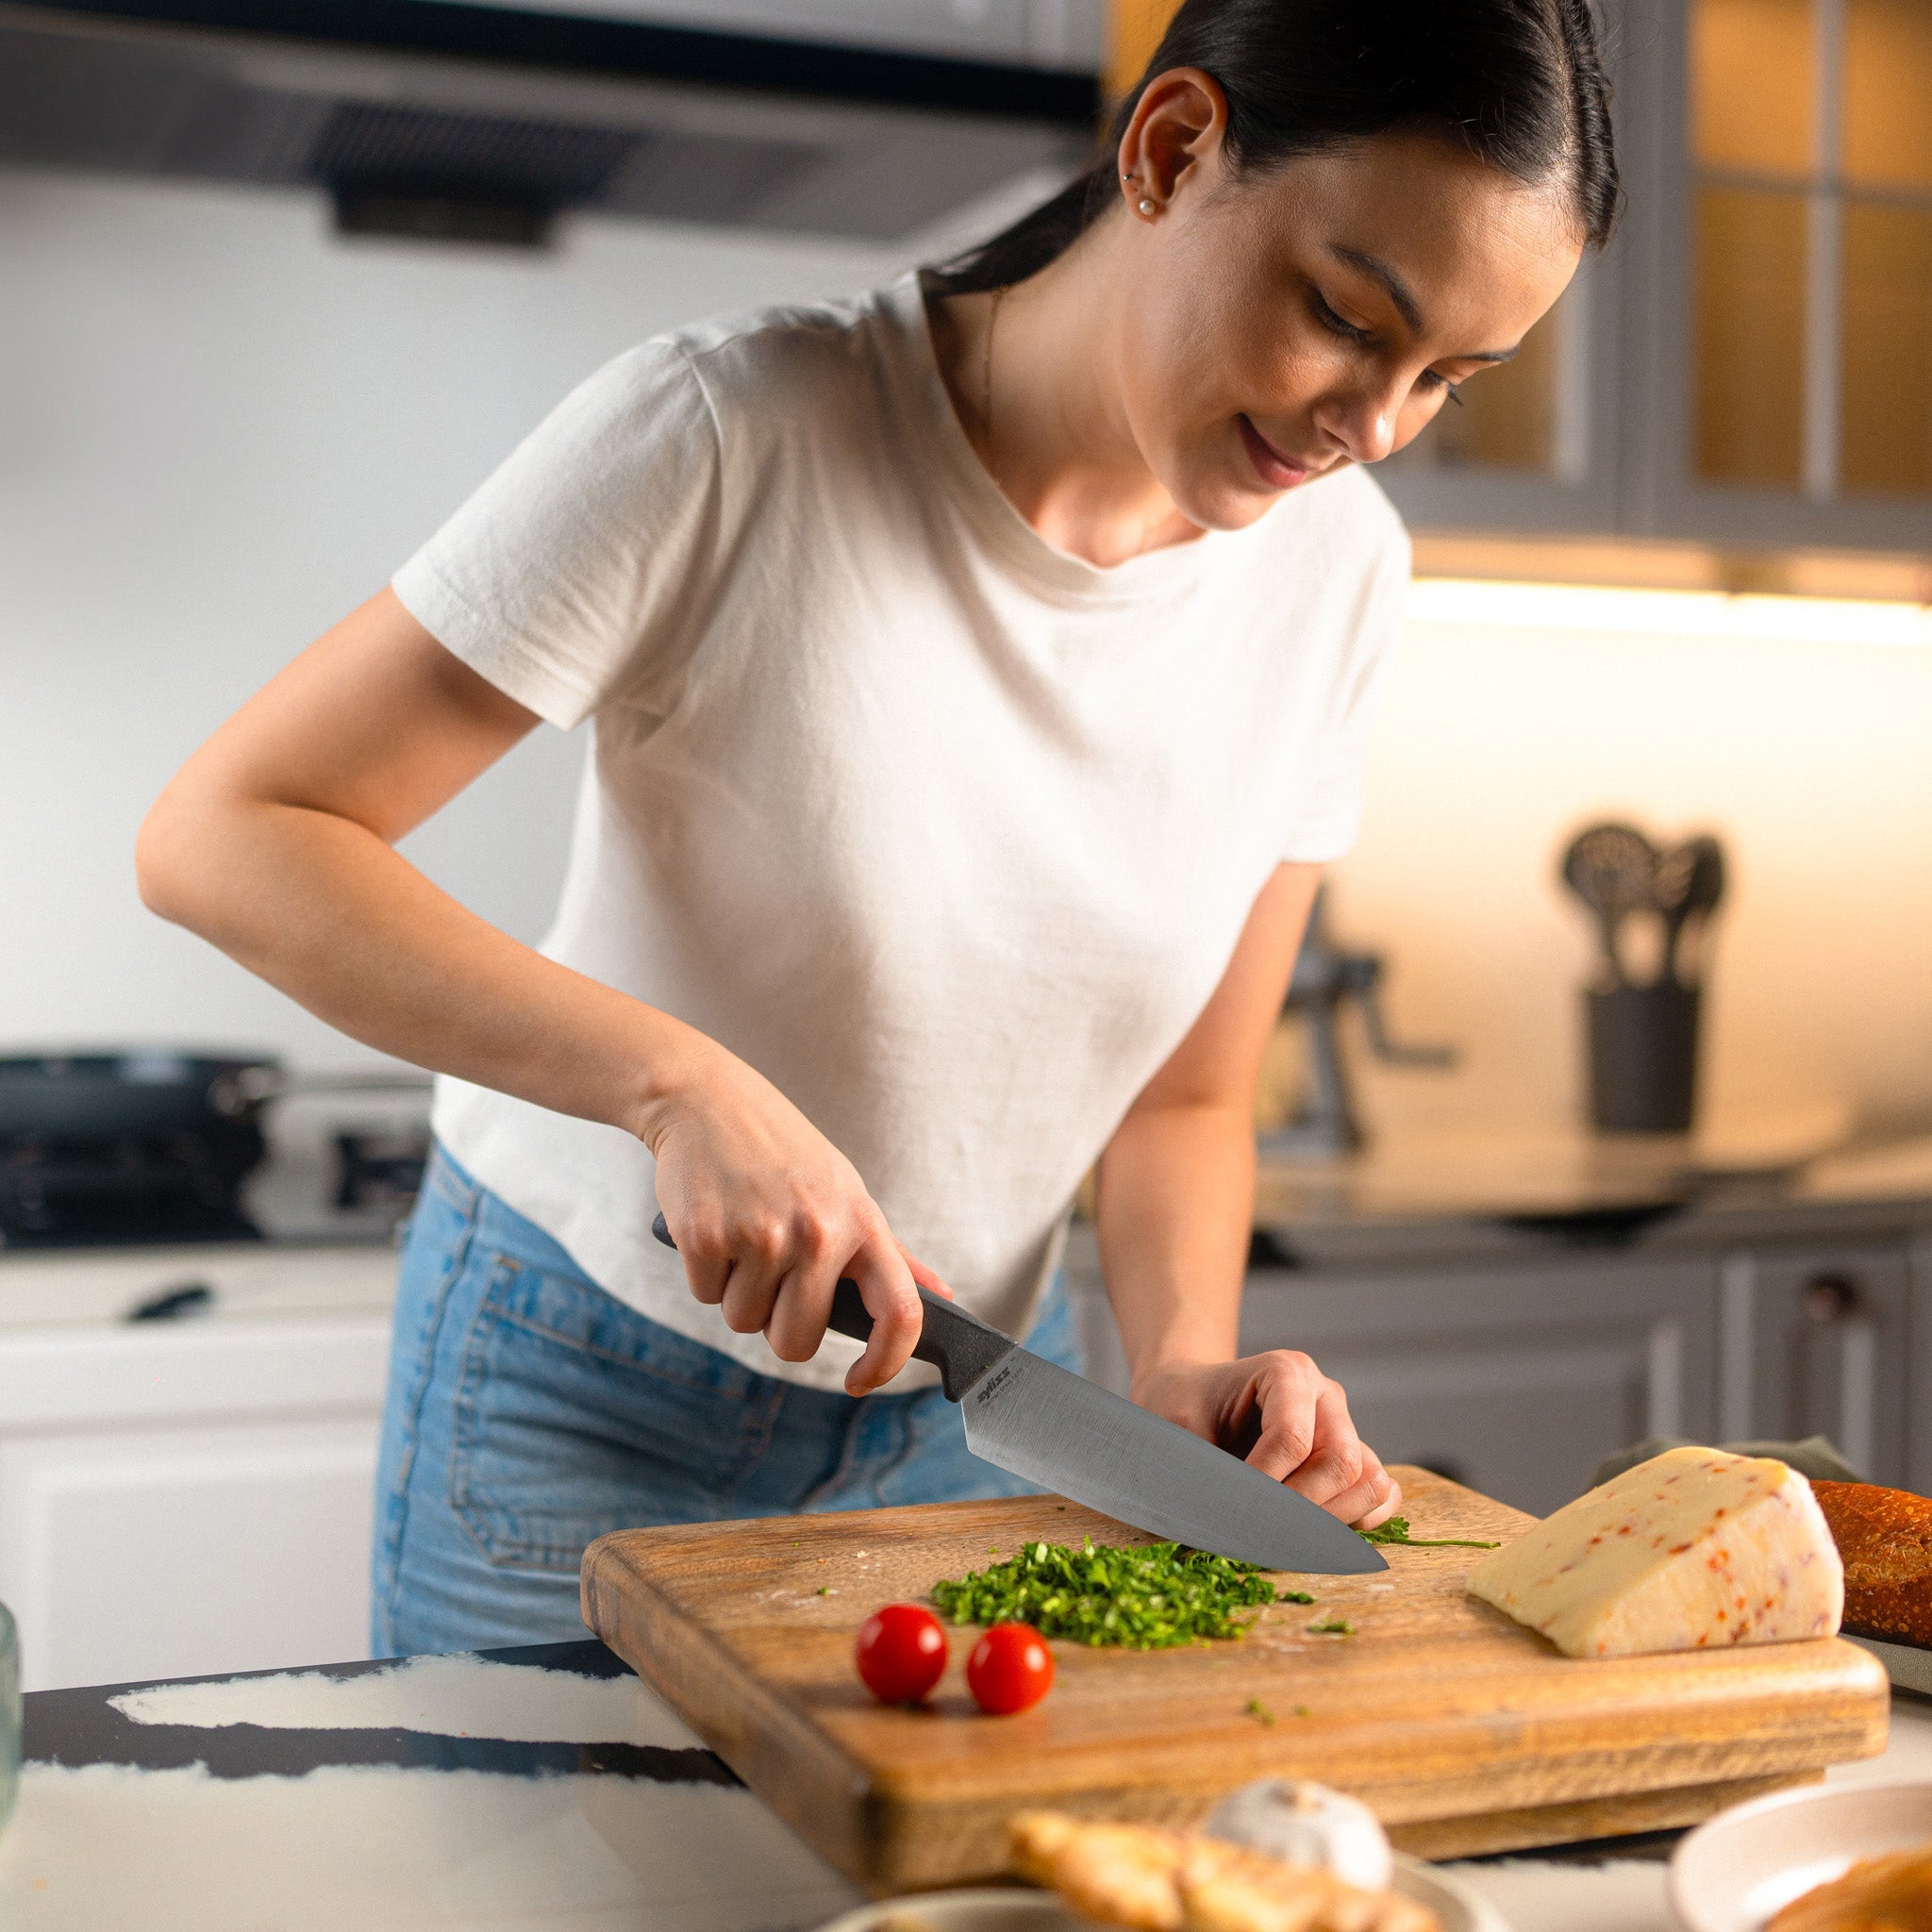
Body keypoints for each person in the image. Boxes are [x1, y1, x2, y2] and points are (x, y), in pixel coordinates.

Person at [138, 0, 1619, 1655]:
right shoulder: (731, 431)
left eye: (1450, 379)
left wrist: (1182, 1358)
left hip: (966, 1403)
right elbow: (227, 829)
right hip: (576, 1383)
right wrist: (674, 1082)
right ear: (1173, 148)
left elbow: (1192, 1092)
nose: (1377, 426)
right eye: (1349, 318)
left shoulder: (1341, 571)